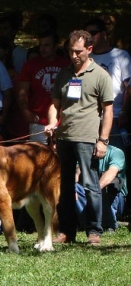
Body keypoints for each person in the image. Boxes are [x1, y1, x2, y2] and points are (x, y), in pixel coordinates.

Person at [46, 30, 114, 246]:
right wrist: (51, 123)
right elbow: (54, 105)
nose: (73, 56)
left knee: (90, 184)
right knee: (65, 187)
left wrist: (102, 140)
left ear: (89, 49)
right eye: (70, 51)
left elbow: (108, 111)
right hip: (64, 138)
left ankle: (94, 230)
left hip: (87, 139)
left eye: (78, 51)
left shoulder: (100, 75)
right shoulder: (64, 74)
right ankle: (67, 231)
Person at [84, 17, 131, 150]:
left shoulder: (121, 56)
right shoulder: (85, 57)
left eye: (93, 33)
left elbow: (129, 88)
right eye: (87, 35)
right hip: (89, 118)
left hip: (115, 118)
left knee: (115, 160)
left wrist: (123, 112)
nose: (90, 37)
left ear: (104, 34)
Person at [17, 32, 69, 144]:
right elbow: (22, 92)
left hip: (62, 121)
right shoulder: (30, 65)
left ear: (56, 46)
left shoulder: (66, 65)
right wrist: (25, 111)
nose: (42, 49)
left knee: (61, 156)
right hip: (38, 120)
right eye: (41, 45)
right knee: (38, 157)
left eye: (47, 45)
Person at [75, 145, 126, 231]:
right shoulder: (85, 152)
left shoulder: (116, 152)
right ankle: (86, 224)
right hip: (89, 197)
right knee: (73, 187)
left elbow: (111, 173)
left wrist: (94, 193)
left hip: (113, 197)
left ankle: (108, 224)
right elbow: (76, 173)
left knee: (110, 184)